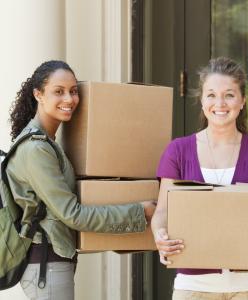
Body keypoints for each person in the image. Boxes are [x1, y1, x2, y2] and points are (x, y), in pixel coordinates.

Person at [7, 60, 156, 300]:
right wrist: (139, 212)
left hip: (51, 264)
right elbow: (72, 214)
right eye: (59, 91)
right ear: (38, 95)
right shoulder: (37, 150)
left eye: (74, 91)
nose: (69, 99)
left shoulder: (47, 143)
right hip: (47, 266)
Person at [151, 57, 248, 300]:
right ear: (201, 100)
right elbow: (163, 213)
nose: (220, 103)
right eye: (211, 95)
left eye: (229, 95)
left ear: (243, 101)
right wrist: (160, 237)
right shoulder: (177, 151)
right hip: (195, 285)